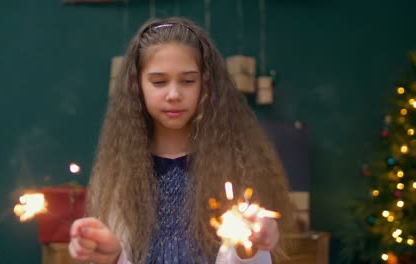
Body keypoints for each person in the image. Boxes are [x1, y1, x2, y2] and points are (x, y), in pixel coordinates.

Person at [68, 17, 295, 264]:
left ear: (206, 84)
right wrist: (111, 256)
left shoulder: (236, 165)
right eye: (159, 82)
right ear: (137, 87)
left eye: (188, 81)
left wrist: (249, 249)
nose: (174, 94)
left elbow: (248, 250)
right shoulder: (118, 174)